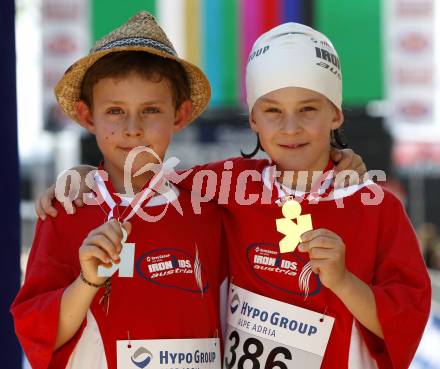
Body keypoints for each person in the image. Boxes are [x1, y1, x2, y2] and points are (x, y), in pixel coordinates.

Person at [11, 12, 226, 369]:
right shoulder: (65, 210)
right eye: (115, 111)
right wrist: (87, 282)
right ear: (87, 117)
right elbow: (40, 333)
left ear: (180, 114)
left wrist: (341, 159)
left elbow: (283, 179)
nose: (132, 129)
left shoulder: (211, 204)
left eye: (151, 110)